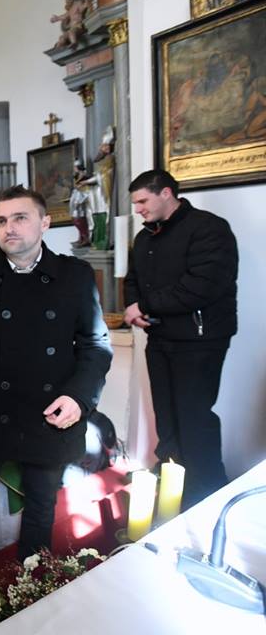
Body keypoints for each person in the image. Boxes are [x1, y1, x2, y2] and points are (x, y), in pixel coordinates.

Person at [0, 185, 111, 567]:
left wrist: (78, 398)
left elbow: (95, 345)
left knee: (41, 512)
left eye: (20, 218)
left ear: (44, 223)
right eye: (0, 220)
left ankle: (30, 590)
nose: (8, 227)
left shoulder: (74, 276)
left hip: (49, 414)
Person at [123, 170, 238, 508]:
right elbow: (133, 280)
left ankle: (208, 489)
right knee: (166, 415)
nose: (138, 209)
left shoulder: (209, 228)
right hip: (160, 337)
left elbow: (201, 286)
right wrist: (135, 307)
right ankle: (172, 476)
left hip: (200, 339)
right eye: (135, 203)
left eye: (143, 201)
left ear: (166, 193)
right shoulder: (144, 238)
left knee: (194, 417)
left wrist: (144, 305)